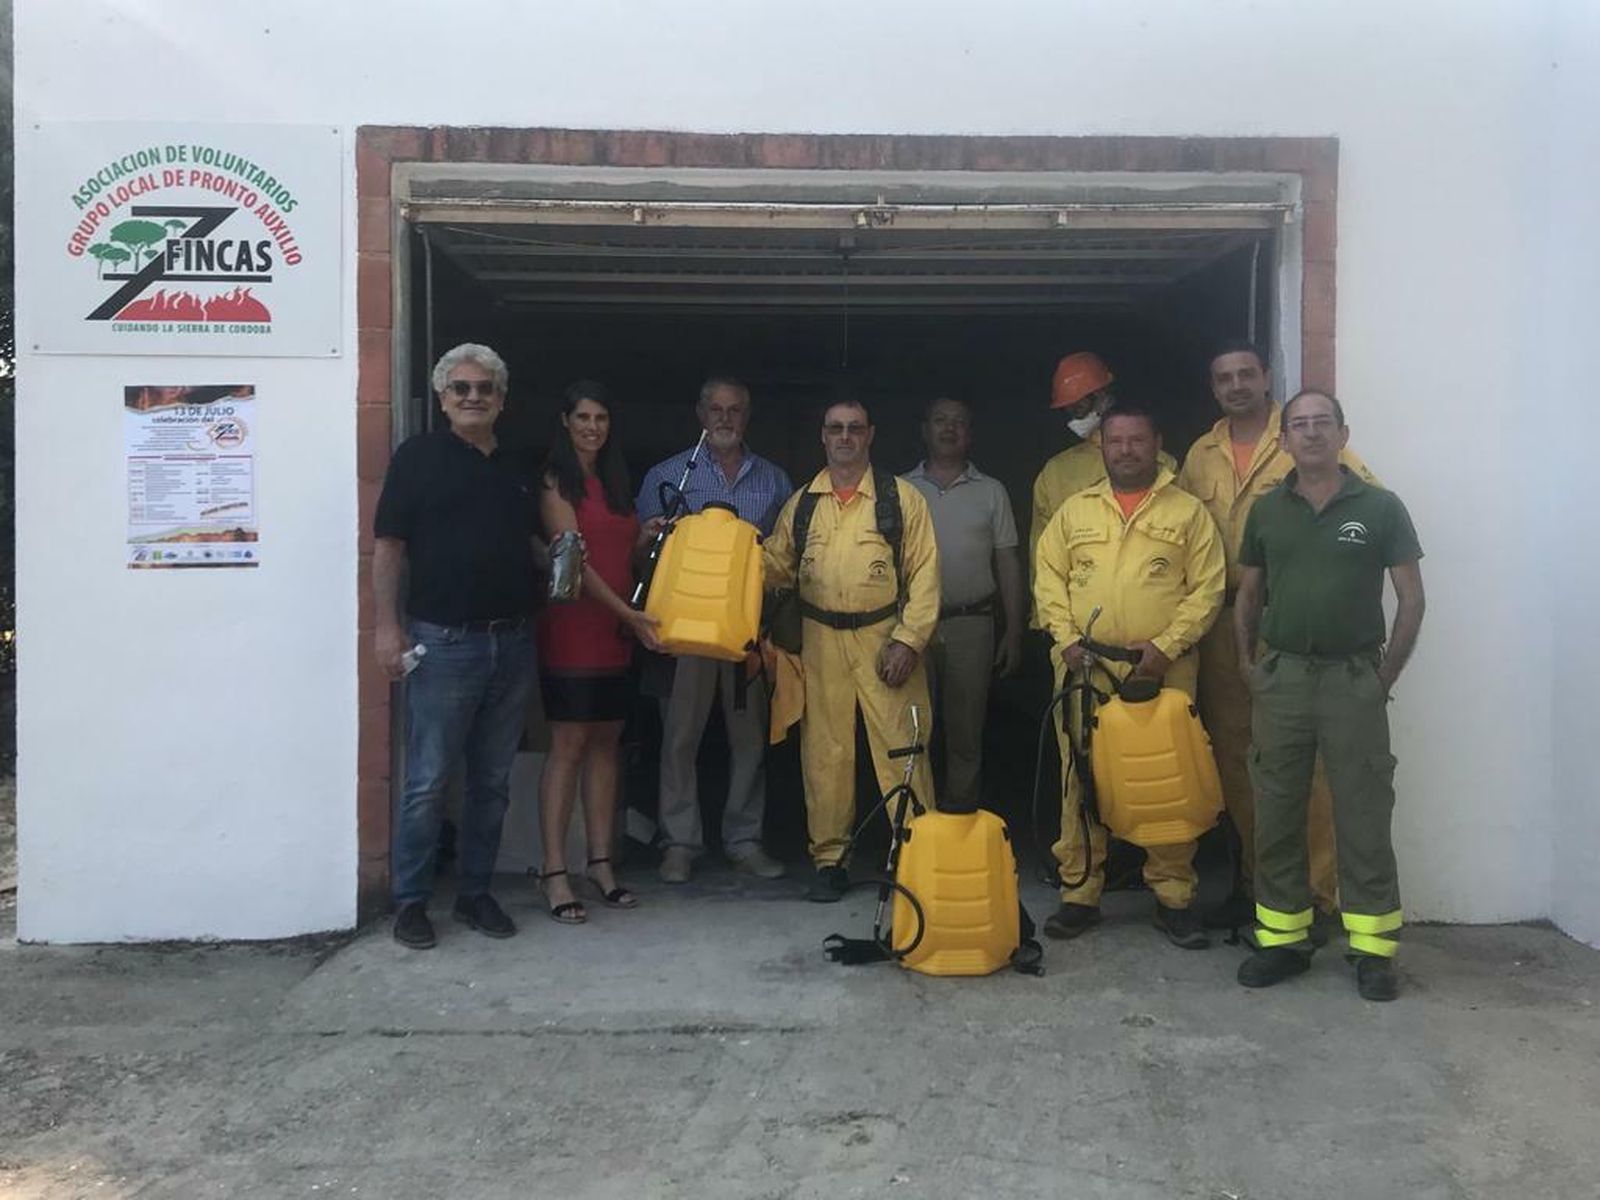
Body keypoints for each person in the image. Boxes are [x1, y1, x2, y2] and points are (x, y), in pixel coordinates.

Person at [1176, 340, 1379, 925]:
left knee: (1306, 766)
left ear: (1267, 378)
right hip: (1224, 624)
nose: (1236, 384)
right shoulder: (1200, 454)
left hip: (1293, 622)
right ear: (1214, 388)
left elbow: (1364, 513)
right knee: (1237, 759)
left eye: (1246, 374)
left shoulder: (1298, 439)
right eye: (1223, 377)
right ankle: (1258, 886)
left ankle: (1314, 896)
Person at [1233, 390, 1424, 1002]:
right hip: (1283, 679)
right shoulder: (1266, 511)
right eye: (1299, 425)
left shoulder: (1380, 507)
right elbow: (1248, 593)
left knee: (1363, 813)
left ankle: (1371, 951)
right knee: (1277, 810)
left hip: (1351, 681)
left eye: (1322, 423)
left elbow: (1411, 599)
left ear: (1343, 433)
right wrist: (1247, 665)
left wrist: (1383, 678)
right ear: (1283, 439)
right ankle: (1284, 939)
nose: (1311, 433)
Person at [1033, 403, 1225, 947]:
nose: (1124, 450)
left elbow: (1207, 589)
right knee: (1083, 776)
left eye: (1136, 440)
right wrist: (1066, 639)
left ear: (1155, 442)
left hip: (1161, 669)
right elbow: (1048, 576)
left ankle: (1173, 896)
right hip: (1085, 665)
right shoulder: (1076, 511)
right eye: (1115, 441)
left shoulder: (1187, 512)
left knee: (1168, 780)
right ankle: (1080, 893)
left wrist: (1165, 648)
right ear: (1103, 446)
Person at [372, 342, 540, 950]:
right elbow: (389, 547)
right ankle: (412, 901)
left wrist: (568, 569)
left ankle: (474, 893)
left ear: (502, 399)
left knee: (491, 781)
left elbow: (533, 547)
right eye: (461, 389)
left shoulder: (518, 466)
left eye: (485, 388)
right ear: (443, 398)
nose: (474, 397)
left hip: (513, 641)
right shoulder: (417, 458)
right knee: (428, 780)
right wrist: (387, 630)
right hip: (442, 644)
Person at [762, 397, 941, 902]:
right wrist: (718, 552)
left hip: (884, 636)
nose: (845, 437)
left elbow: (925, 576)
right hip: (820, 640)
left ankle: (917, 854)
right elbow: (775, 566)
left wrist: (908, 640)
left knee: (902, 747)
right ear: (823, 435)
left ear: (870, 435)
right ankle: (829, 860)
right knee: (825, 753)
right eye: (835, 428)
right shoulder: (803, 505)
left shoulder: (900, 499)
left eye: (854, 428)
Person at [635, 376, 793, 883]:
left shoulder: (775, 481)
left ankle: (744, 839)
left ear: (748, 416)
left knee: (749, 741)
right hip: (683, 635)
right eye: (716, 410)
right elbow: (641, 561)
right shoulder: (667, 477)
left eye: (736, 410)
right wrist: (649, 541)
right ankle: (679, 843)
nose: (725, 419)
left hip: (747, 633)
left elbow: (785, 564)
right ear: (700, 414)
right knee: (679, 739)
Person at [534, 381, 663, 924]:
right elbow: (573, 566)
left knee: (608, 744)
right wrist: (629, 615)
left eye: (601, 418)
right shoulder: (555, 482)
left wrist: (642, 541)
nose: (593, 427)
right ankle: (554, 871)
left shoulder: (613, 482)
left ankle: (601, 863)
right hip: (574, 628)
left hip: (614, 633)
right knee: (568, 745)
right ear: (565, 421)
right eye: (583, 417)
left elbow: (614, 552)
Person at [902, 396, 1024, 811]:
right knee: (911, 730)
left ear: (969, 434)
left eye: (958, 422)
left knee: (966, 734)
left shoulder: (991, 492)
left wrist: (1014, 631)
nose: (949, 429)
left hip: (973, 624)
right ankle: (916, 823)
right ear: (925, 429)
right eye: (940, 420)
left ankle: (959, 820)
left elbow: (1008, 562)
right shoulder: (900, 489)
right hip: (911, 628)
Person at [1029, 352, 1176, 617]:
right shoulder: (1055, 471)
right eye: (1068, 408)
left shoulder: (1161, 465)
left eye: (1080, 405)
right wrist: (1048, 621)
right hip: (1074, 624)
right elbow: (1042, 558)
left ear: (1104, 396)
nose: (1073, 413)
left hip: (1150, 617)